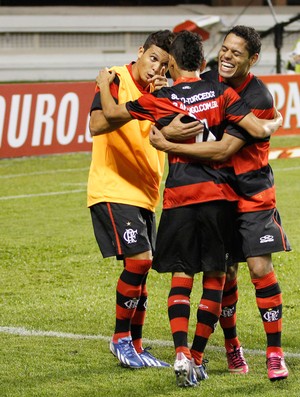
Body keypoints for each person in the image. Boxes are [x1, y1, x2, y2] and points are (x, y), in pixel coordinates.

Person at [96, 30, 282, 387]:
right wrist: (273, 124)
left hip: (182, 197)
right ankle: (199, 353)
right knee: (216, 277)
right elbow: (255, 128)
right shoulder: (220, 91)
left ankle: (183, 352)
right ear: (205, 60)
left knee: (184, 276)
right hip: (219, 197)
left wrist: (106, 82)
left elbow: (113, 113)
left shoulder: (164, 97)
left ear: (173, 63)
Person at [149, 25, 291, 382]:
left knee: (259, 269)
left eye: (236, 53)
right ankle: (230, 346)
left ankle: (274, 354)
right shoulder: (210, 80)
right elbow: (178, 106)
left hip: (253, 191)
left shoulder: (258, 98)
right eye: (224, 49)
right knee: (223, 272)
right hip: (221, 193)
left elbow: (226, 148)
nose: (226, 57)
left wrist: (170, 145)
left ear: (252, 60)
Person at [87, 29, 192, 370]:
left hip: (145, 194)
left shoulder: (160, 91)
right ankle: (120, 339)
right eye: (152, 59)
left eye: (164, 65)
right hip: (113, 186)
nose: (156, 69)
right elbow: (97, 124)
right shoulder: (117, 78)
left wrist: (166, 103)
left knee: (142, 272)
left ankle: (136, 344)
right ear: (140, 51)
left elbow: (170, 135)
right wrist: (142, 104)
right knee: (141, 261)